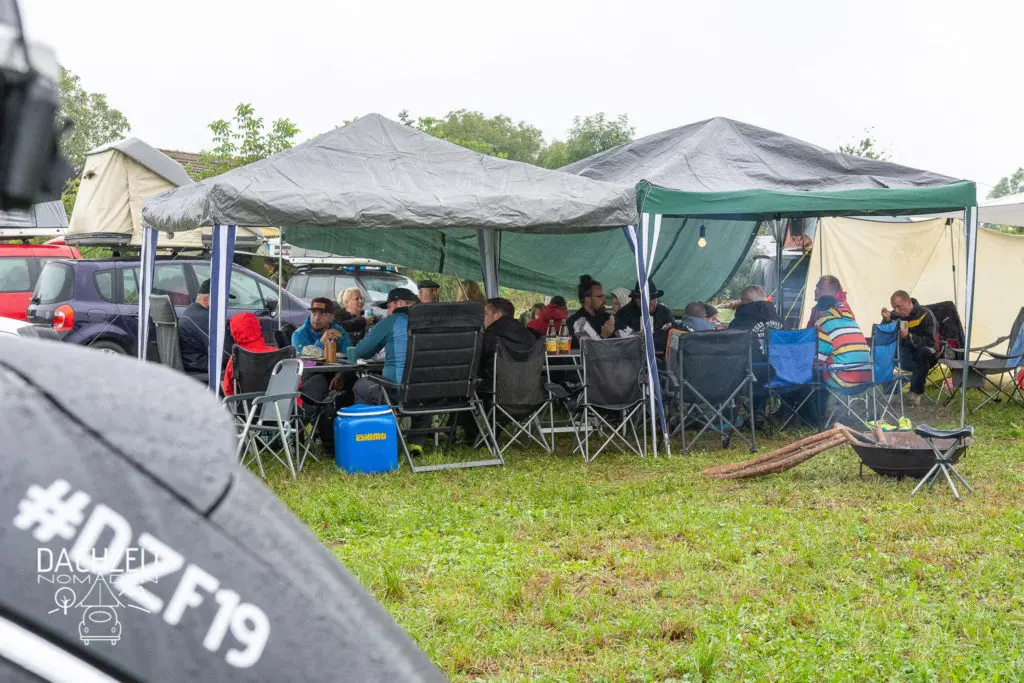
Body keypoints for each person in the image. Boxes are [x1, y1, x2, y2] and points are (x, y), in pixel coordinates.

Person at [352, 288, 428, 450]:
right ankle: (416, 443)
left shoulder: (394, 320)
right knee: (421, 391)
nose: (387, 312)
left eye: (389, 307)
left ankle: (375, 439)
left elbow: (362, 351)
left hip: (399, 391)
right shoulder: (429, 321)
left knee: (361, 385)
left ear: (399, 304)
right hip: (433, 392)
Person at [811, 276, 870, 389]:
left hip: (843, 380)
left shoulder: (824, 322)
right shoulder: (849, 317)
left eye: (820, 288)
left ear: (833, 293)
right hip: (866, 378)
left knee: (808, 374)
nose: (816, 291)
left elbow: (818, 358)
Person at [882, 290, 938, 406]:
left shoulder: (925, 314)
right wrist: (885, 321)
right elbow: (884, 335)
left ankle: (915, 393)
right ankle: (891, 392)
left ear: (908, 302)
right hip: (905, 356)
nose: (896, 310)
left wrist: (909, 336)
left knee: (922, 352)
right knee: (883, 351)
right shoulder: (896, 316)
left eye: (899, 306)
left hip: (926, 356)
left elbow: (930, 342)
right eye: (894, 307)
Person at [178, 279, 233, 375]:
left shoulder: (191, 312)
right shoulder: (204, 318)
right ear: (206, 300)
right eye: (221, 300)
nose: (224, 305)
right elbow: (226, 354)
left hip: (194, 366)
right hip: (202, 372)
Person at [221, 312, 278, 396]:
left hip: (247, 406)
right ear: (258, 327)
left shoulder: (236, 357)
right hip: (279, 405)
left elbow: (228, 389)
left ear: (234, 333)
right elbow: (294, 383)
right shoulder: (277, 353)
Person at [615, 279, 675, 352]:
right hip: (634, 358)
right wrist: (637, 337)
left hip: (661, 356)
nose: (650, 302)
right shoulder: (624, 314)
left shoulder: (664, 312)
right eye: (644, 299)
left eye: (652, 298)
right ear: (636, 298)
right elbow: (619, 343)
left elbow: (673, 337)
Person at [729, 286, 783, 357]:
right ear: (764, 298)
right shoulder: (782, 321)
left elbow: (730, 350)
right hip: (779, 366)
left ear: (743, 301)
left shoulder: (737, 324)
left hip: (748, 366)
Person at [566, 274, 616, 347]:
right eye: (599, 296)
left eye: (604, 296)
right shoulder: (576, 323)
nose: (604, 300)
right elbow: (585, 354)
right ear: (587, 300)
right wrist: (603, 337)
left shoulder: (606, 317)